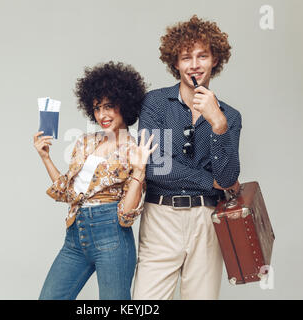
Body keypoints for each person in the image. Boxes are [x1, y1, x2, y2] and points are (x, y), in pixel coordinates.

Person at [133, 15, 242, 300]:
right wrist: (210, 180)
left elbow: (229, 178)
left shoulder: (230, 116)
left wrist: (217, 122)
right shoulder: (154, 103)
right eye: (186, 57)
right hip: (160, 217)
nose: (194, 64)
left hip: (207, 221)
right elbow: (155, 167)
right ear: (176, 63)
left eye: (202, 56)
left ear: (215, 59)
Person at [33, 61, 158, 300]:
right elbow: (67, 194)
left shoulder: (135, 149)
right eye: (97, 108)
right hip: (75, 236)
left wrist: (139, 170)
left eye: (109, 106)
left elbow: (126, 216)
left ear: (124, 104)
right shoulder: (85, 142)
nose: (103, 114)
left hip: (111, 236)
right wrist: (45, 157)